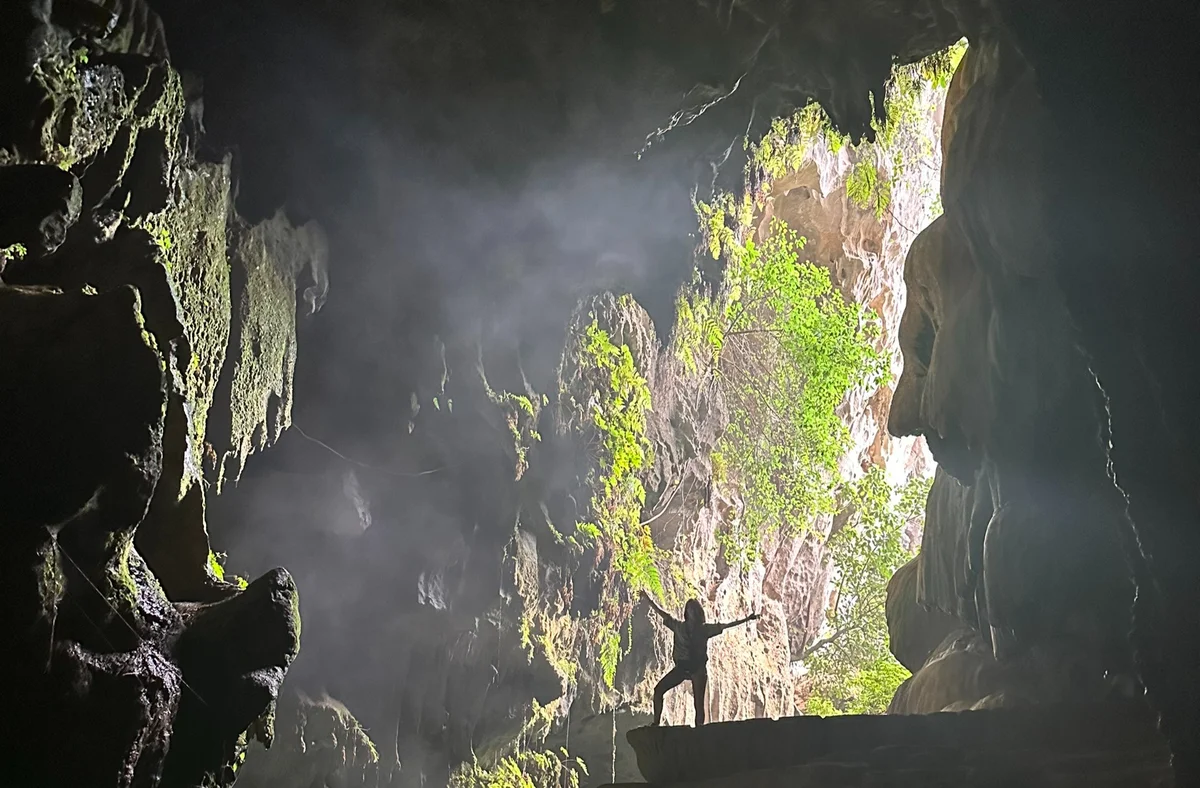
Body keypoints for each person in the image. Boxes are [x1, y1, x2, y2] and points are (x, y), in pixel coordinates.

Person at [646, 595, 759, 726]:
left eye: (694, 610)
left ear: (698, 613)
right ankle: (656, 723)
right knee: (658, 690)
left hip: (698, 668)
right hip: (682, 668)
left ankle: (699, 731)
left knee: (698, 704)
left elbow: (726, 625)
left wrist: (747, 619)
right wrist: (647, 598)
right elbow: (662, 614)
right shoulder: (679, 627)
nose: (692, 612)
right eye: (690, 610)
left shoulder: (704, 629)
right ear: (686, 612)